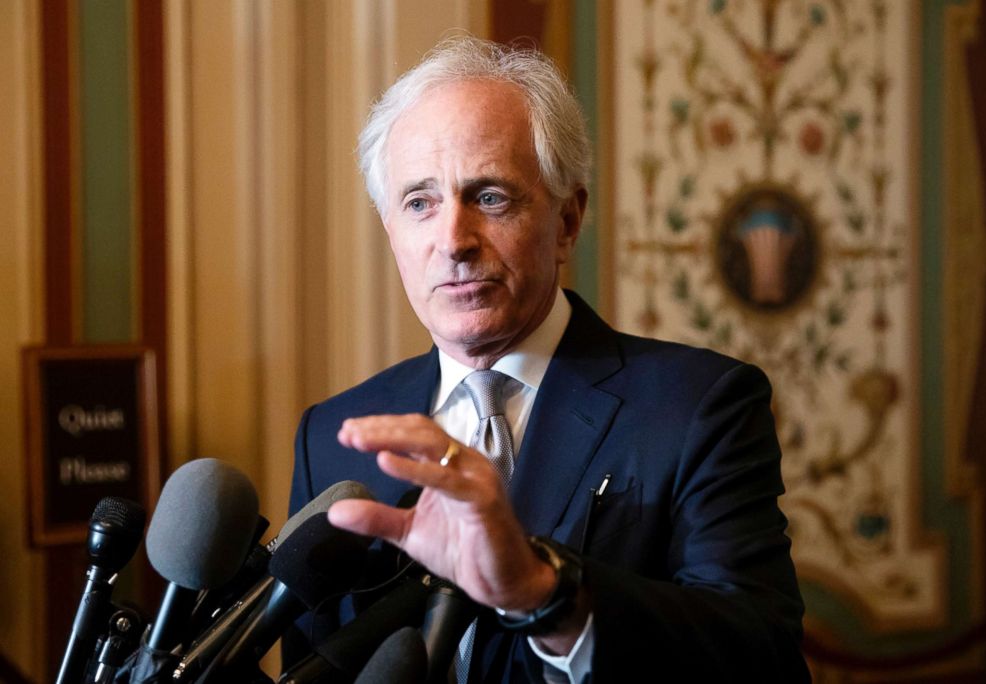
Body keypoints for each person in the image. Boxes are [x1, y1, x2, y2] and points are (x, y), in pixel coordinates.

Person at [288, 35, 810, 682]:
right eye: (419, 202)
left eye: (490, 197)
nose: (453, 240)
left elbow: (764, 657)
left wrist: (546, 593)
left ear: (567, 220)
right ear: (392, 229)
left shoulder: (699, 406)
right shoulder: (332, 437)